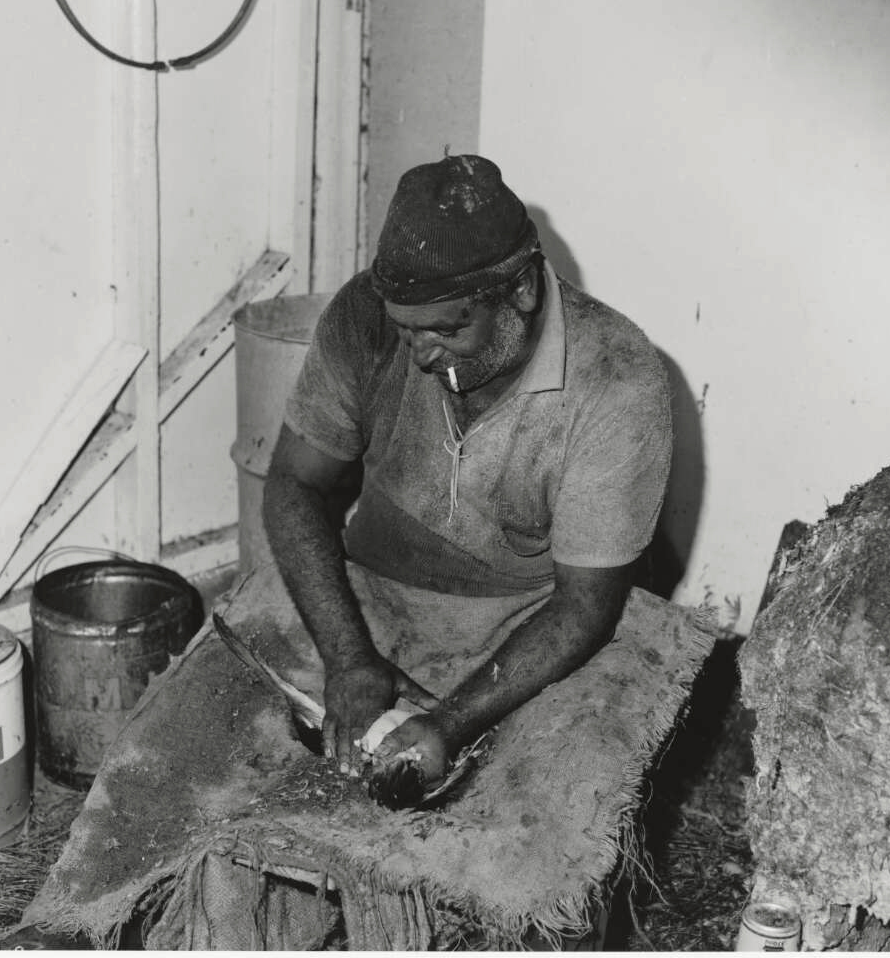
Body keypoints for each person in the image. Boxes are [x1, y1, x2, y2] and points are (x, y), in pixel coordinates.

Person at [262, 153, 672, 797]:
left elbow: (584, 607)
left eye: (447, 331)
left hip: (526, 624)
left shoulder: (618, 380)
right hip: (369, 593)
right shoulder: (364, 320)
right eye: (405, 332)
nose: (421, 355)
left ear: (521, 292)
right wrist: (348, 656)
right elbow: (293, 483)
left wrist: (448, 724)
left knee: (553, 801)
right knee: (217, 740)